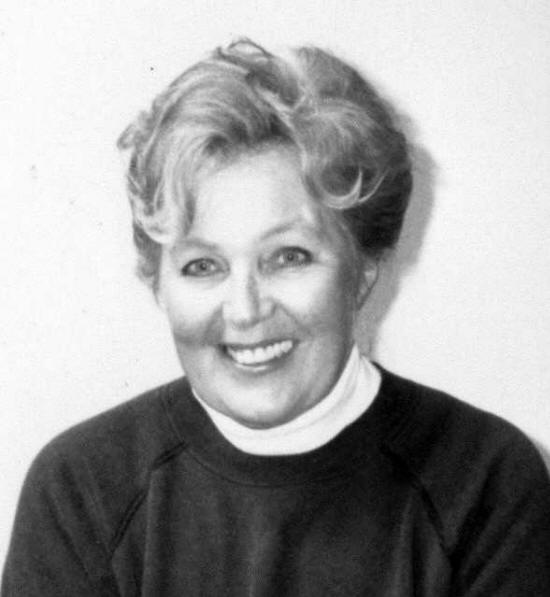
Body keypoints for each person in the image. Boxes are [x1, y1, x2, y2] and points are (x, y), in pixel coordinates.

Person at [3, 39, 550, 596]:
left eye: (289, 257)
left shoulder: (486, 482)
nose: (245, 310)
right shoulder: (81, 490)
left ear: (363, 270)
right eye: (203, 265)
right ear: (158, 283)